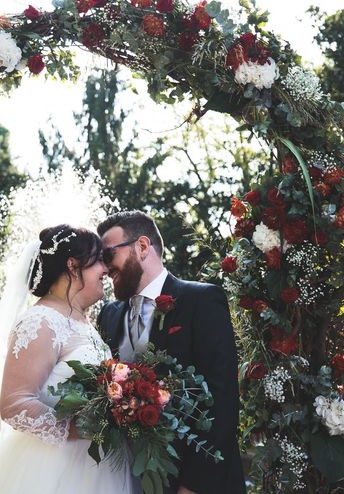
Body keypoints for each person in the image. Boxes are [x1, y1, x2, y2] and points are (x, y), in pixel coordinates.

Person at [0, 224, 138, 494]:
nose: (105, 269)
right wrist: (78, 428)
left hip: (98, 470)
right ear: (72, 265)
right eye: (97, 261)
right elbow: (15, 404)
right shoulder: (41, 321)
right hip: (54, 471)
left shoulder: (83, 322)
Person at [97, 211, 246, 494]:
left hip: (198, 480)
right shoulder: (108, 315)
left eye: (108, 256)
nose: (104, 269)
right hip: (129, 478)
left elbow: (222, 399)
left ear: (142, 247)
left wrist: (193, 486)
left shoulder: (201, 300)